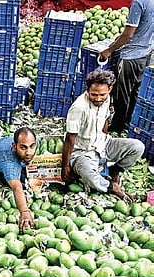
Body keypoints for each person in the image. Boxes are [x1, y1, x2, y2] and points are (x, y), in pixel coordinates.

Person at [61, 70, 145, 201]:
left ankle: (115, 171)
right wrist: (65, 166)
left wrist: (105, 138)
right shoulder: (79, 107)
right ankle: (111, 187)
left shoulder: (107, 99)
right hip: (81, 152)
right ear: (87, 89)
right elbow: (70, 139)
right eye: (94, 94)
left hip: (102, 144)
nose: (98, 98)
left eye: (102, 95)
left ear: (109, 89)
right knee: (89, 175)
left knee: (137, 147)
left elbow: (105, 121)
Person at [99, 0, 153, 132]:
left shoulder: (138, 3)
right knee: (135, 91)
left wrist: (109, 50)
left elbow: (128, 34)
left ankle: (118, 126)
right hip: (145, 53)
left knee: (121, 94)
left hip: (131, 56)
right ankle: (129, 122)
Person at [0, 127, 37, 231]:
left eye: (32, 146)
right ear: (14, 146)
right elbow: (17, 187)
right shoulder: (9, 164)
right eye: (23, 148)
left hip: (1, 144)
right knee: (20, 181)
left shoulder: (33, 142)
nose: (29, 152)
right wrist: (24, 212)